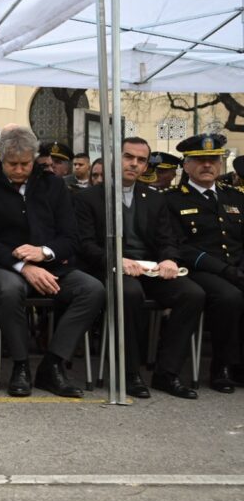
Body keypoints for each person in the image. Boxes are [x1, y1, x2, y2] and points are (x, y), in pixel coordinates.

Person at [0, 126, 104, 398]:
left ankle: (52, 365)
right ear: (1, 159)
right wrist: (24, 267)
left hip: (52, 265)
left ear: (35, 159)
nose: (19, 170)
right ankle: (20, 366)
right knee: (10, 290)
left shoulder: (52, 184)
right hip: (2, 266)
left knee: (92, 290)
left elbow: (70, 236)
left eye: (25, 164)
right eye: (12, 164)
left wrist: (44, 252)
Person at [75, 137, 204, 399]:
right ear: (114, 158)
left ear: (146, 166)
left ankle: (166, 373)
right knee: (129, 293)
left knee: (192, 294)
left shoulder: (155, 199)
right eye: (128, 157)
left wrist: (169, 260)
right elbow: (85, 245)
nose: (134, 164)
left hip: (148, 267)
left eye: (141, 160)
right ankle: (129, 372)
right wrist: (115, 260)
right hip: (108, 267)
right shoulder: (88, 198)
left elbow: (166, 239)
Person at [164, 133, 244, 393]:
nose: (207, 165)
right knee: (230, 297)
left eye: (212, 159)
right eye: (200, 160)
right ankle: (222, 367)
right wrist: (223, 269)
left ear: (220, 164)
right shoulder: (173, 199)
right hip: (201, 270)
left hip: (237, 266)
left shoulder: (235, 197)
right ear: (186, 165)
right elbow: (181, 246)